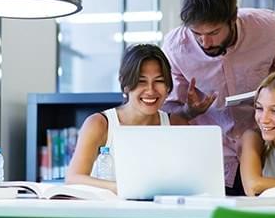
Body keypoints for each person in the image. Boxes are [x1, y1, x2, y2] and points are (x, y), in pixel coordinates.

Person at [162, 0, 275, 194]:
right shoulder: (175, 47)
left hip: (267, 149)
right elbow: (167, 110)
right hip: (211, 157)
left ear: (233, 19)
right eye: (196, 34)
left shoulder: (267, 28)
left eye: (214, 32)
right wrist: (189, 111)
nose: (205, 42)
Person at [66, 44, 186, 193]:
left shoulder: (177, 124)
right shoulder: (99, 124)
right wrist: (123, 188)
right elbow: (73, 178)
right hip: (110, 206)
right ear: (125, 85)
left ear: (168, 86)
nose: (150, 90)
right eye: (141, 81)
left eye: (159, 81)